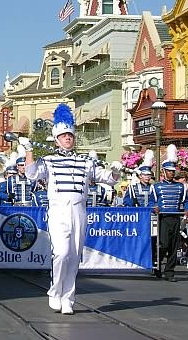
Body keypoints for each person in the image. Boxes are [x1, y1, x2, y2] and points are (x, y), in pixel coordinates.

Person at [25, 104, 121, 314]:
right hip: (58, 211)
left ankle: (68, 297)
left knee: (75, 256)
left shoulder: (86, 161)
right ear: (57, 138)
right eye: (64, 135)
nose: (68, 138)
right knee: (61, 253)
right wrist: (29, 150)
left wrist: (114, 171)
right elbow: (31, 174)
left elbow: (107, 179)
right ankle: (55, 291)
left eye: (70, 135)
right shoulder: (48, 161)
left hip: (79, 211)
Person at [152, 145, 188, 282]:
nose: (171, 173)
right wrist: (154, 207)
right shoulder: (156, 186)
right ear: (164, 172)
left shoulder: (180, 187)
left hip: (176, 217)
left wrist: (187, 208)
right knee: (163, 244)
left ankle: (170, 272)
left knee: (174, 246)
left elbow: (185, 201)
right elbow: (151, 201)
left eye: (173, 171)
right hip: (162, 218)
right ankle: (157, 266)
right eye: (169, 171)